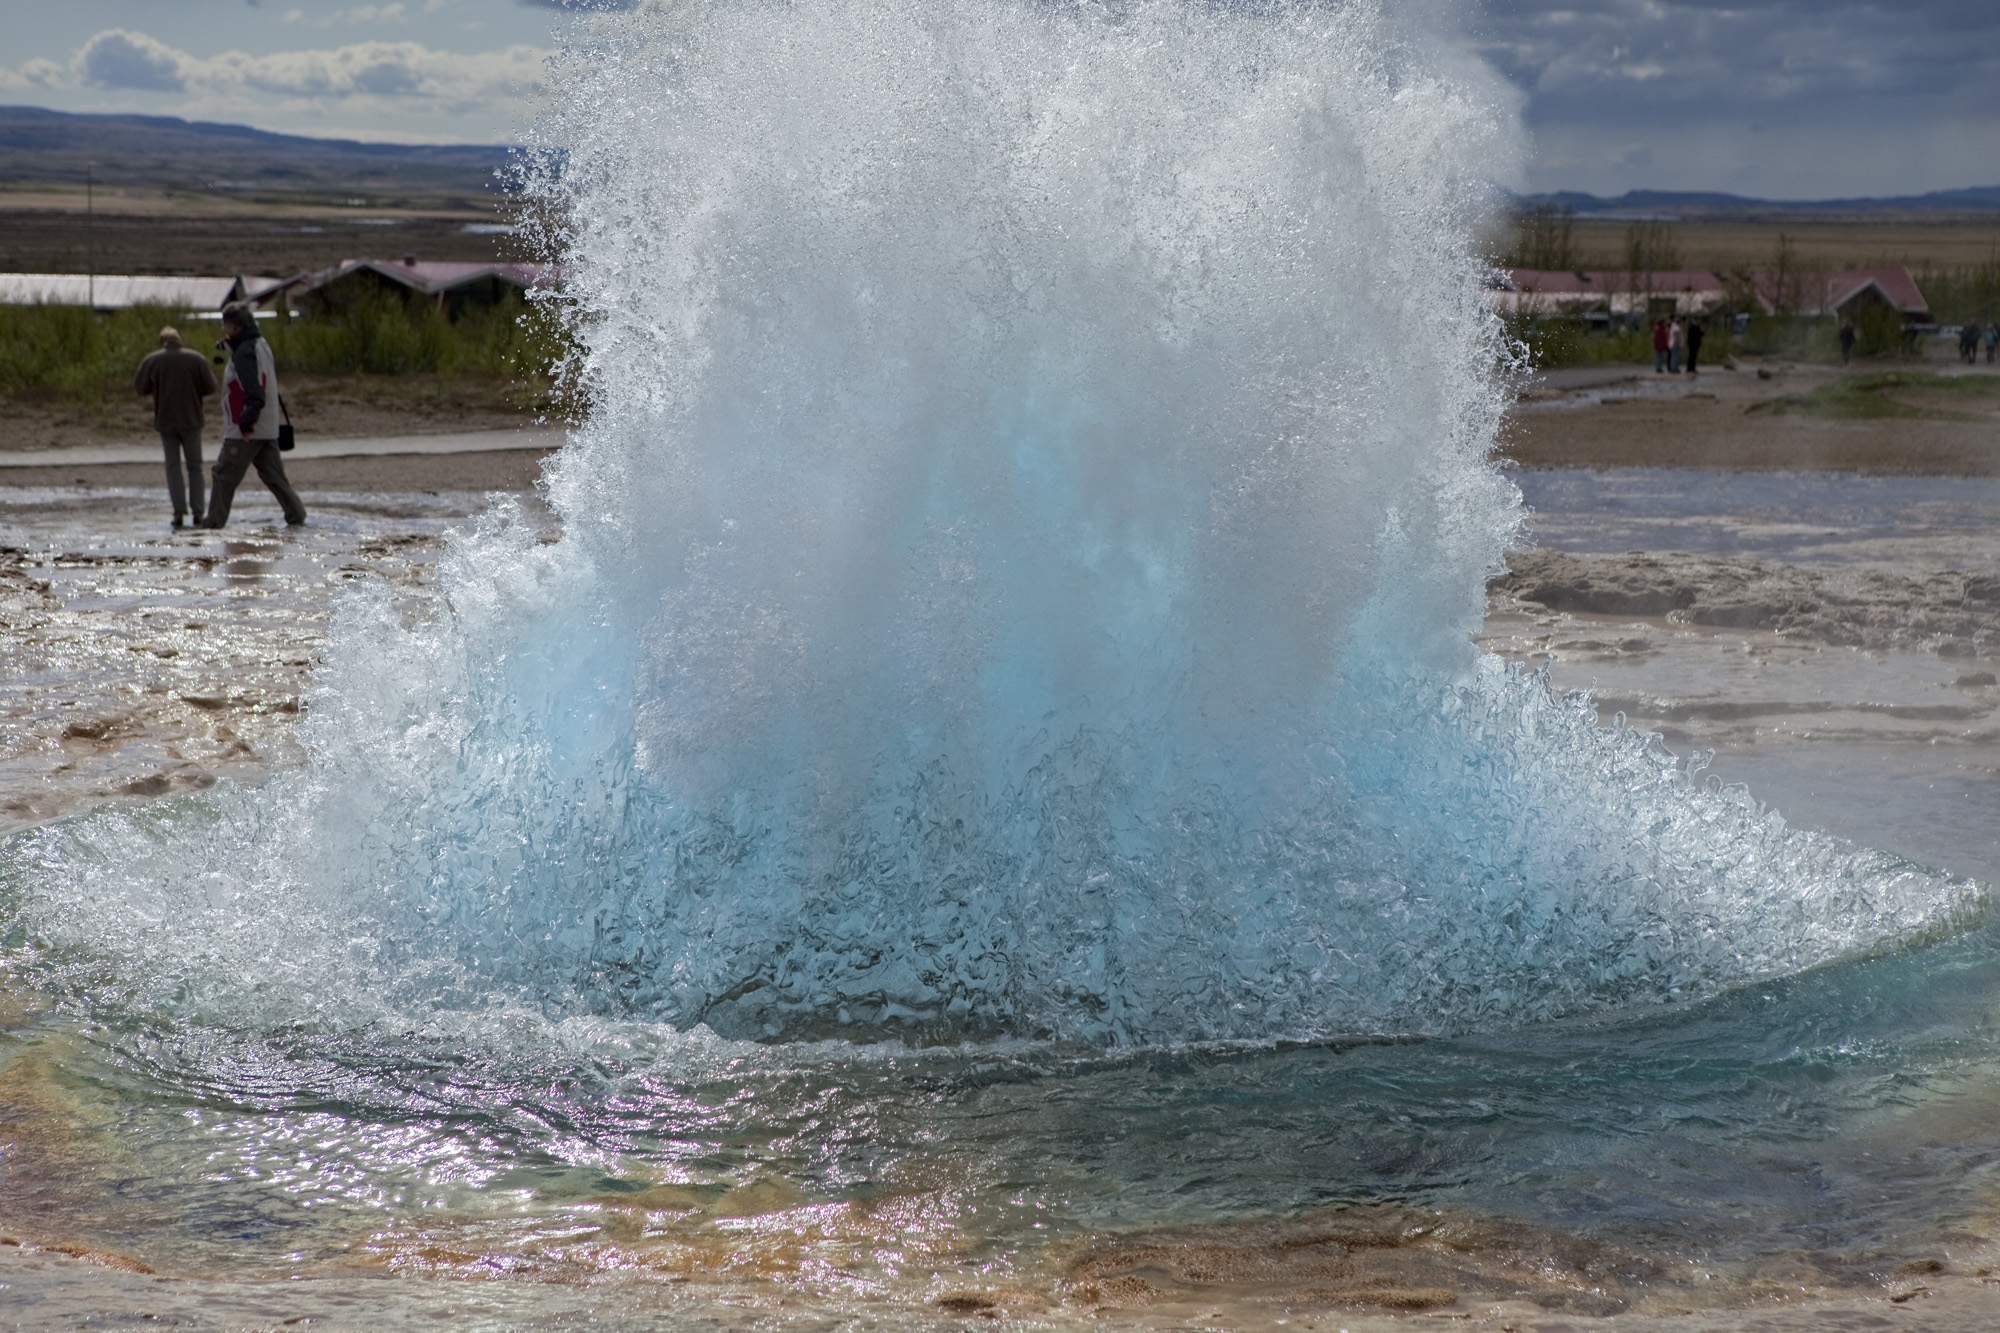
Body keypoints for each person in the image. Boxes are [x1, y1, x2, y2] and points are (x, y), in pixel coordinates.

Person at [205, 303, 306, 530]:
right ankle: (296, 515)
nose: (224, 328)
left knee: (223, 476)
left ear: (234, 325)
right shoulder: (259, 344)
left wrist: (245, 423)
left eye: (225, 324)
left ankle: (212, 524)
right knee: (275, 477)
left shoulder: (245, 352)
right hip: (266, 426)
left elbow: (254, 392)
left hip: (247, 428)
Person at [133, 326, 218, 529]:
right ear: (179, 339)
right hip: (192, 420)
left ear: (161, 341)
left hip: (166, 422)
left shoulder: (152, 360)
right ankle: (198, 512)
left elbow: (140, 387)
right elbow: (211, 386)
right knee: (195, 467)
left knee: (173, 468)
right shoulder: (196, 359)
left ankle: (178, 512)